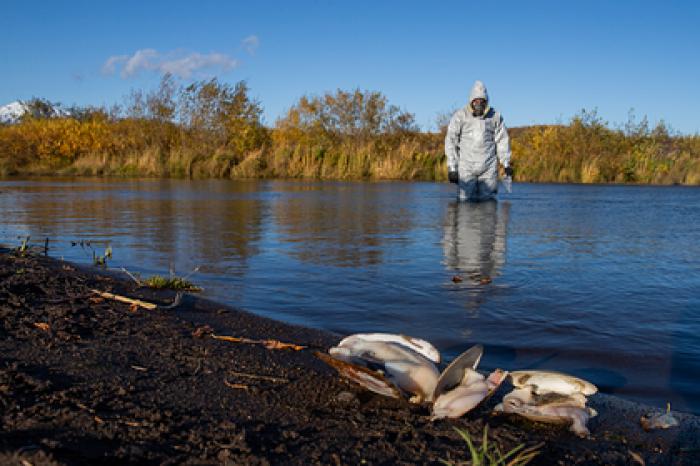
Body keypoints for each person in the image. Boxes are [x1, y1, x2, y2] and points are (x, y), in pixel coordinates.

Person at [445, 80, 513, 201]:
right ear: (471, 100)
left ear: (486, 101)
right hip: (466, 167)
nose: (479, 103)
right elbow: (451, 141)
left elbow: (502, 140)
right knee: (464, 202)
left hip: (488, 168)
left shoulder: (495, 116)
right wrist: (452, 168)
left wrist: (506, 163)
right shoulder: (460, 116)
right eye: (476, 100)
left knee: (488, 202)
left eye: (482, 101)